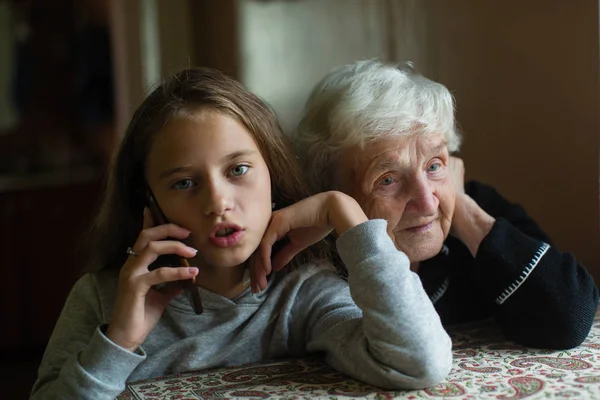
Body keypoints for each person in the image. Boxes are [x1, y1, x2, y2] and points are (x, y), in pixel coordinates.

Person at [30, 67, 453, 400]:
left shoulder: (302, 295)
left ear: (274, 175)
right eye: (183, 183)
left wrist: (345, 213)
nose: (218, 202)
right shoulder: (101, 300)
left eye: (238, 170)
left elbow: (421, 362)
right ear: (149, 202)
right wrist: (118, 339)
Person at [259, 59, 599, 350]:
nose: (424, 201)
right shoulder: (312, 262)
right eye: (388, 179)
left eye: (434, 164)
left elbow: (568, 317)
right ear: (329, 189)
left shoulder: (474, 207)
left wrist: (462, 205)